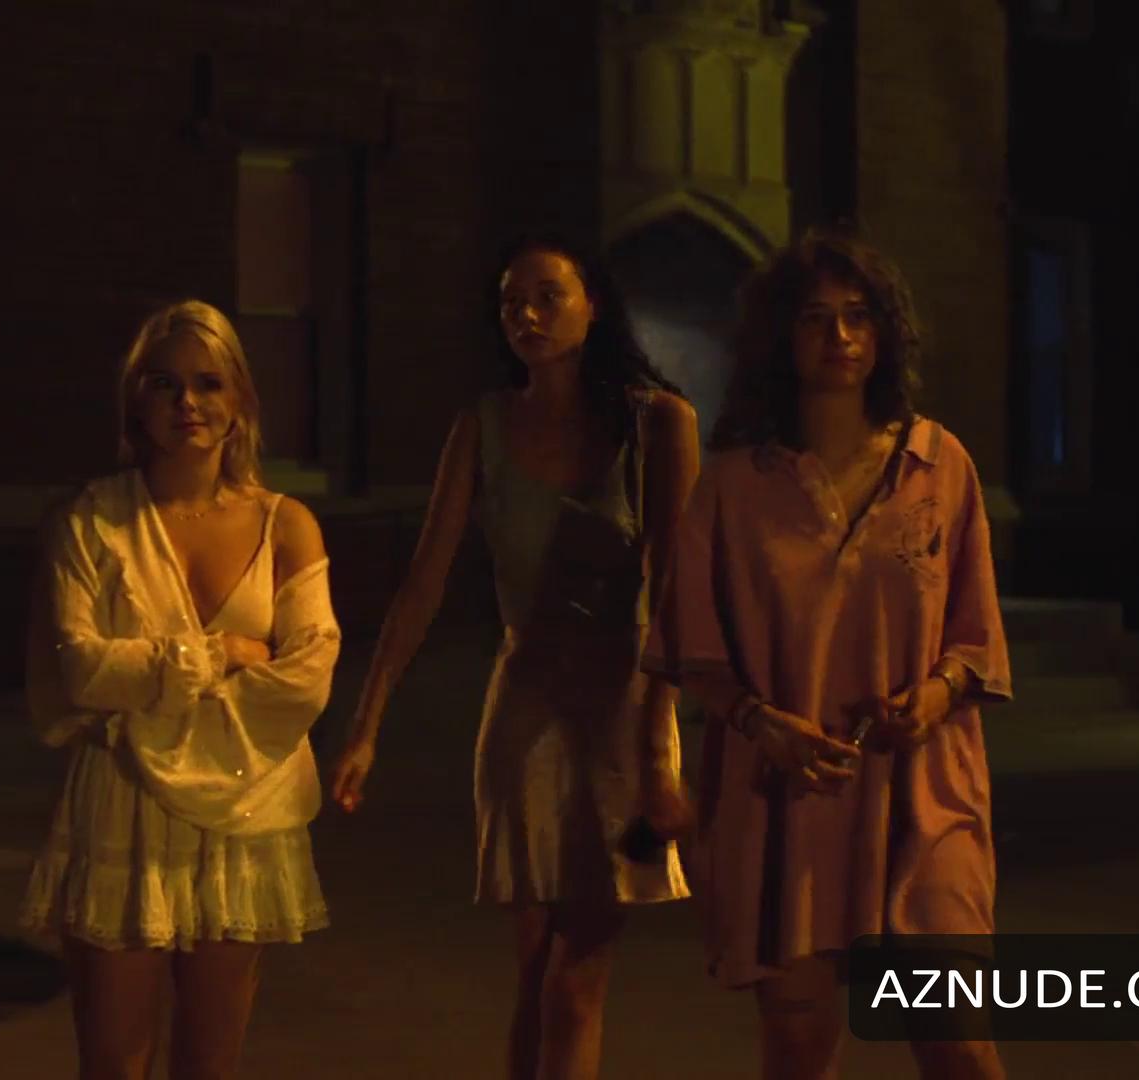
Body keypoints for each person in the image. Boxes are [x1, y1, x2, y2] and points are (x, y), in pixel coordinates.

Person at [647, 226, 1012, 1079]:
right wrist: (760, 721)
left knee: (959, 1045)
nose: (839, 336)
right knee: (799, 1052)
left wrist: (935, 693)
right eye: (815, 318)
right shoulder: (735, 485)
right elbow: (692, 648)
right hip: (787, 802)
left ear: (884, 332)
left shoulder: (937, 465)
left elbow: (975, 636)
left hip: (923, 794)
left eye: (857, 315)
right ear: (782, 335)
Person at [330, 236, 697, 1080]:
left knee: (577, 978)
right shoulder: (484, 426)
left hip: (620, 707)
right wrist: (366, 727)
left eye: (547, 296)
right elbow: (422, 583)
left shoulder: (657, 422)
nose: (527, 315)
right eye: (510, 302)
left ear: (593, 305)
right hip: (523, 699)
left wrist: (658, 747)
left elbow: (675, 592)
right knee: (533, 976)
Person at [23, 300, 338, 1080]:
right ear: (136, 400)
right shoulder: (93, 521)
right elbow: (82, 668)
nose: (187, 402)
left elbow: (307, 677)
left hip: (246, 803)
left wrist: (149, 684)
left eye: (208, 383)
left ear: (240, 399)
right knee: (114, 1062)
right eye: (164, 383)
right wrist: (219, 654)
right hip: (125, 798)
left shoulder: (285, 525)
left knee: (210, 1063)